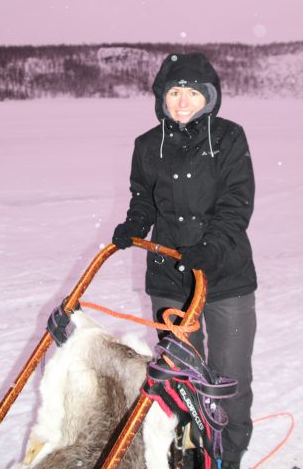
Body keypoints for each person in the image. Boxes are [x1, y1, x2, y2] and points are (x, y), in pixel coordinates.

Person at [112, 51, 257, 469]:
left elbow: (236, 204)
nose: (182, 101)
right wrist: (134, 224)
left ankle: (227, 458)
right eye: (175, 92)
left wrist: (210, 248)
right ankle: (190, 457)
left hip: (226, 276)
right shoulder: (147, 144)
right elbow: (144, 197)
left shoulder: (228, 138)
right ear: (162, 97)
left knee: (228, 378)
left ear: (210, 97)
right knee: (181, 378)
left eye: (193, 93)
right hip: (170, 280)